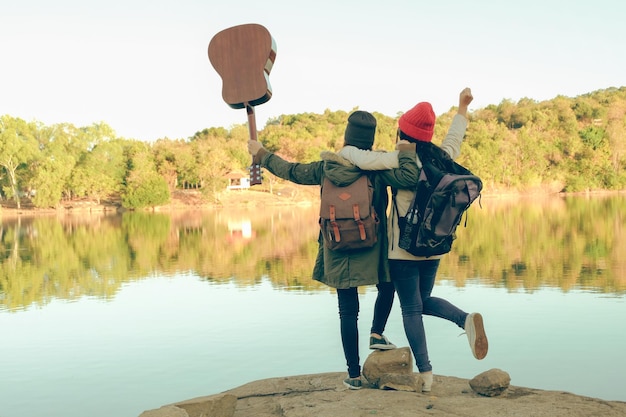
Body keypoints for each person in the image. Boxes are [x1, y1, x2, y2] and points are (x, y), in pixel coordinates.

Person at [247, 111, 419, 390]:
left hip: (336, 244)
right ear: (370, 142)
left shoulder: (324, 168)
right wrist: (406, 151)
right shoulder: (376, 168)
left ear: (346, 138)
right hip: (372, 245)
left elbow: (291, 171)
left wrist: (263, 155)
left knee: (347, 311)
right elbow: (410, 177)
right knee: (387, 285)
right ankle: (377, 333)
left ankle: (353, 375)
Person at [339, 88, 488, 393]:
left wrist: (343, 152)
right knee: (422, 302)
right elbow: (454, 139)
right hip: (434, 248)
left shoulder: (399, 161)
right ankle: (464, 319)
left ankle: (426, 373)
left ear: (402, 133)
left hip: (403, 252)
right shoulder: (441, 158)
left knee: (410, 308)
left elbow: (362, 160)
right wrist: (462, 108)